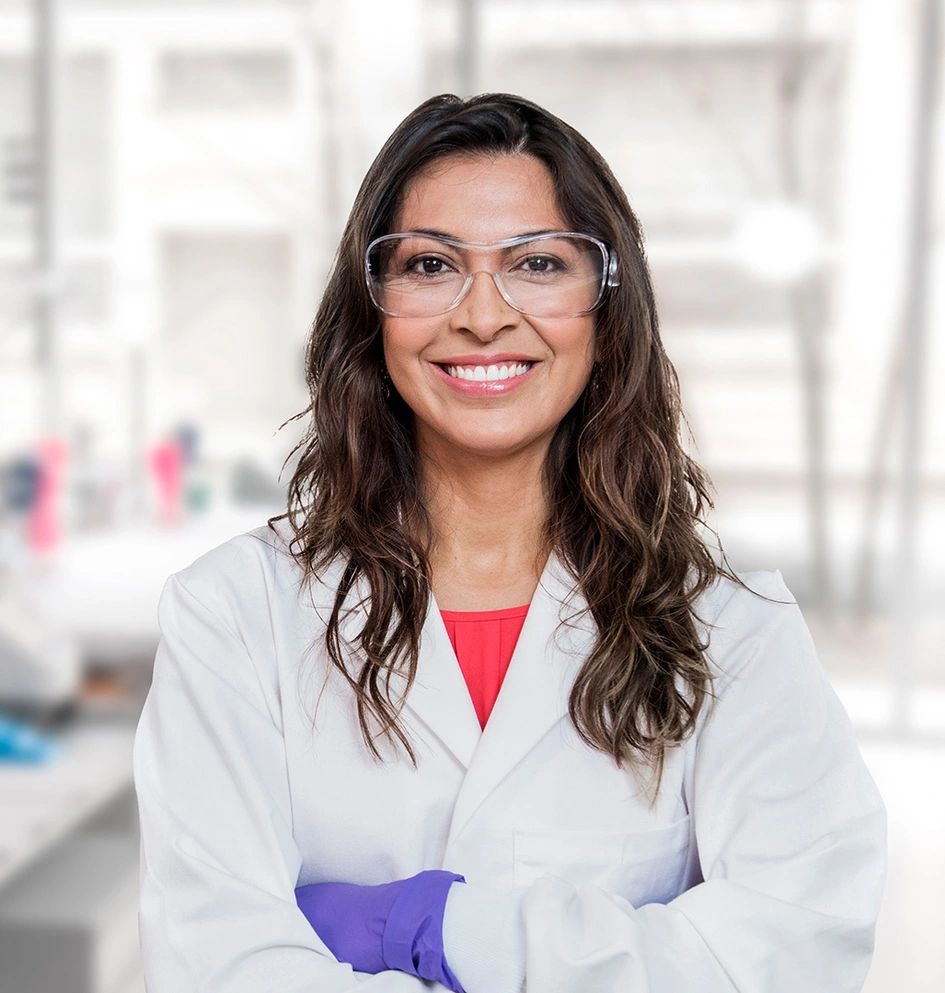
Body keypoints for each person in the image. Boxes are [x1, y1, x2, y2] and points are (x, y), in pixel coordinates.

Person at [133, 93, 886, 993]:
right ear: (373, 315)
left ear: (606, 312)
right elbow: (215, 964)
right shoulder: (234, 614)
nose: (483, 315)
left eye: (536, 263)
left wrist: (441, 929)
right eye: (429, 264)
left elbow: (793, 954)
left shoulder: (733, 632)